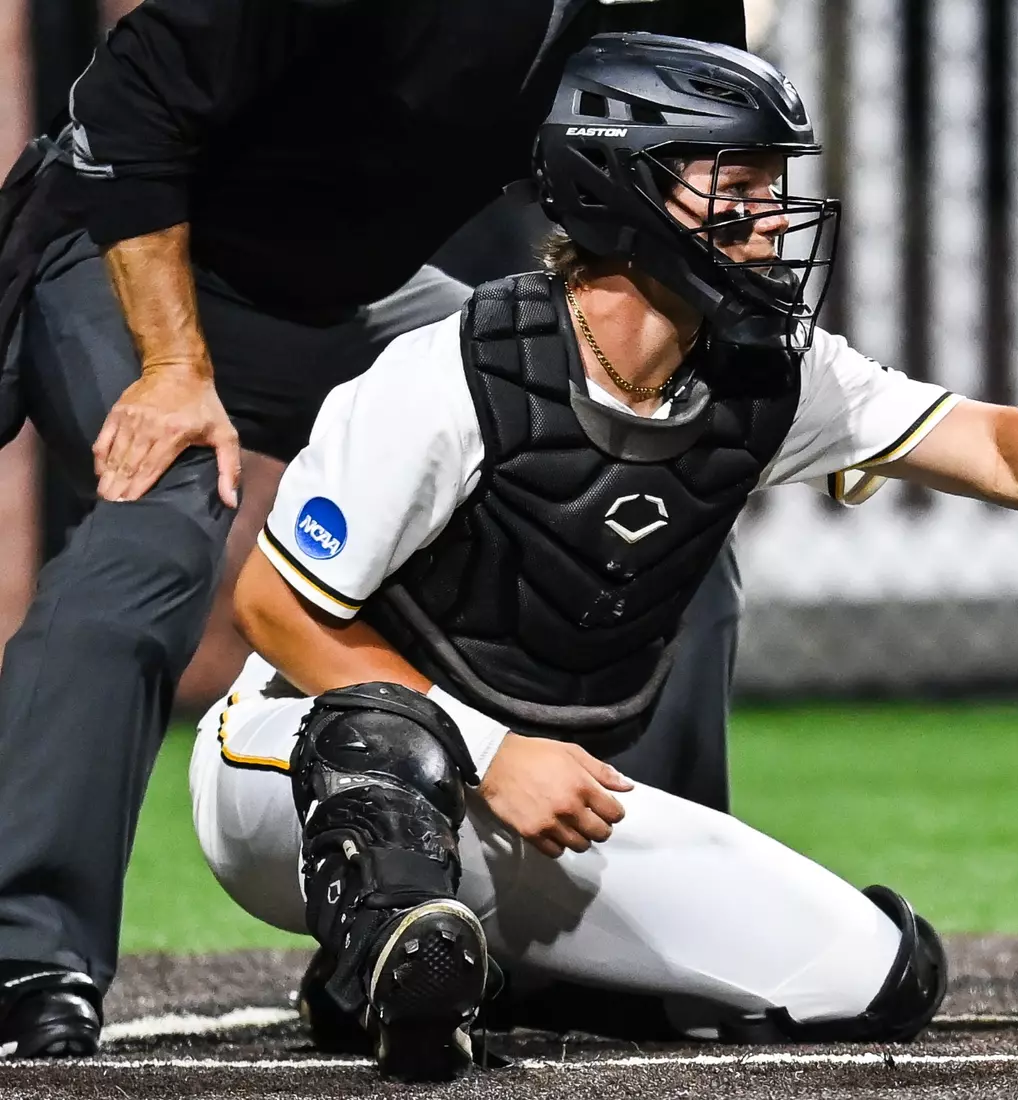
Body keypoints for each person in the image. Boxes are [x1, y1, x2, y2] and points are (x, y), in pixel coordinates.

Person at [188, 33, 1018, 1081]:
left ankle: (459, 957)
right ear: (620, 187)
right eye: (738, 186)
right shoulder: (451, 378)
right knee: (389, 735)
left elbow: (984, 441)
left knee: (876, 974)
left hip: (539, 790)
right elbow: (275, 609)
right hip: (290, 772)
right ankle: (379, 952)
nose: (772, 218)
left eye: (773, 185)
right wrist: (490, 751)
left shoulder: (768, 374)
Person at [0, 0, 751, 1060]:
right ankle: (27, 951)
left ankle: (618, 926)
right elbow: (127, 109)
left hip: (356, 295)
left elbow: (685, 189)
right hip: (139, 258)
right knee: (161, 521)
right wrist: (173, 370)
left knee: (644, 503)